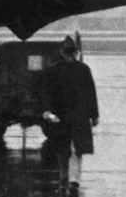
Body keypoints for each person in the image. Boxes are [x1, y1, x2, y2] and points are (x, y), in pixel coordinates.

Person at [39, 35, 98, 187]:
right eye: (70, 52)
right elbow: (90, 93)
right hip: (78, 116)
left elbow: (46, 93)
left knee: (63, 149)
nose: (70, 55)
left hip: (61, 116)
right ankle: (73, 180)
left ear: (62, 52)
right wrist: (94, 115)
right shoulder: (84, 70)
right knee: (75, 150)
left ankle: (66, 177)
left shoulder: (53, 70)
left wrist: (47, 111)